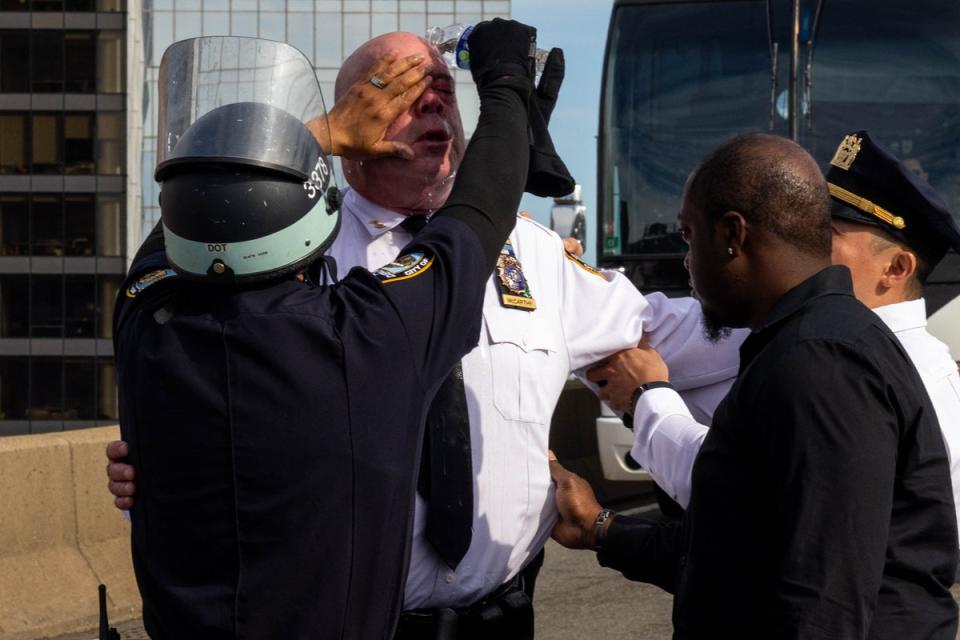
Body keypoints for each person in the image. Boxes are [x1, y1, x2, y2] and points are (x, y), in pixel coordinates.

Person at [107, 30, 742, 639]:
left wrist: (812, 310)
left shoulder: (530, 249)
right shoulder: (294, 250)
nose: (434, 101)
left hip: (504, 614)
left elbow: (681, 333)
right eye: (400, 92)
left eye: (444, 89)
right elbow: (212, 249)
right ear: (353, 119)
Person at [114, 22, 545, 639]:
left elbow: (179, 230)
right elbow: (481, 212)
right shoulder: (366, 335)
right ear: (316, 218)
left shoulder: (144, 321)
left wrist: (325, 133)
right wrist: (507, 84)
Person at [551, 132, 959, 638]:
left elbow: (819, 605)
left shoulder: (822, 361)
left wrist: (646, 399)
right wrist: (603, 530)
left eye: (687, 234)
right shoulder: (802, 342)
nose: (685, 260)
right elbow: (747, 543)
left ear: (731, 235)